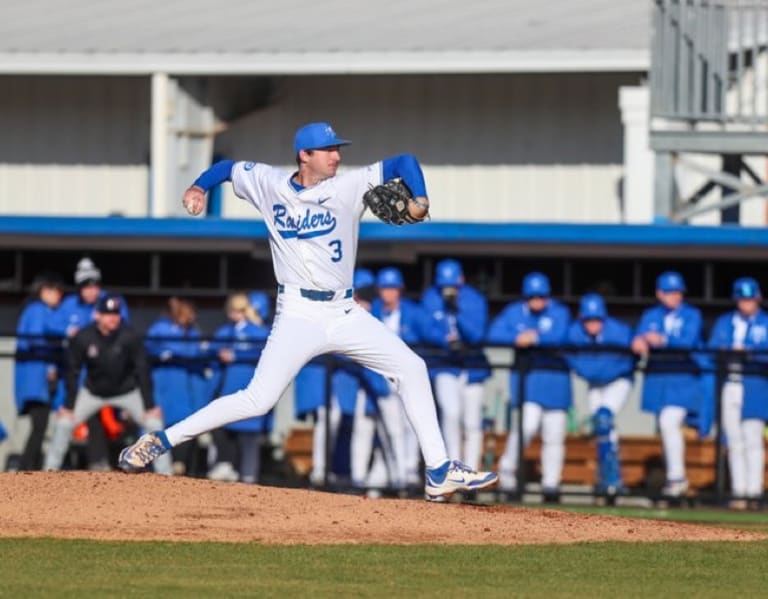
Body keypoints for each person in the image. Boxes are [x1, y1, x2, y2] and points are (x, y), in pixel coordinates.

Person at [118, 121, 497, 500]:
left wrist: (421, 198)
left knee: (411, 367)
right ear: (305, 155)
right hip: (297, 313)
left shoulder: (348, 186)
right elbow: (227, 169)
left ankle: (438, 470)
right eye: (328, 150)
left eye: (337, 149)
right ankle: (160, 440)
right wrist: (199, 186)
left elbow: (405, 162)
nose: (337, 156)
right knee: (257, 399)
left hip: (344, 312)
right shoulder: (268, 182)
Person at [43, 294, 172, 474]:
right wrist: (68, 405)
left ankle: (166, 474)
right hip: (93, 393)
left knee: (153, 422)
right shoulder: (84, 336)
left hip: (127, 392)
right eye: (107, 313)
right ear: (97, 315)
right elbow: (73, 372)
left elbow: (142, 370)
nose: (112, 317)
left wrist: (149, 405)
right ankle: (49, 471)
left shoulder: (130, 336)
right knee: (64, 422)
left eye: (116, 313)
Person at [487, 272, 571, 502]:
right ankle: (508, 476)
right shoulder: (515, 312)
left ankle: (551, 485)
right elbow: (494, 333)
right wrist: (518, 336)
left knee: (554, 436)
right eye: (532, 296)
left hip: (556, 382)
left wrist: (535, 339)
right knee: (526, 428)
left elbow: (562, 335)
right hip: (529, 382)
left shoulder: (559, 311)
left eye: (541, 296)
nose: (537, 301)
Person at [51, 257, 131, 470]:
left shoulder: (109, 302)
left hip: (112, 375)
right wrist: (68, 332)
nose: (90, 290)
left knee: (119, 421)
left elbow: (126, 331)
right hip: (78, 375)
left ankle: (113, 462)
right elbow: (51, 325)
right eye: (85, 286)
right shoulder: (69, 304)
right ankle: (51, 468)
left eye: (93, 285)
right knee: (67, 418)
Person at [632, 271, 704, 498]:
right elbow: (638, 337)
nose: (676, 296)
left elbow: (688, 342)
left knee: (668, 422)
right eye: (670, 292)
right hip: (658, 380)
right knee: (665, 428)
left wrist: (662, 341)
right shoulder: (650, 314)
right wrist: (638, 340)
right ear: (659, 293)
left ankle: (677, 479)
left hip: (682, 379)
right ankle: (673, 479)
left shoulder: (691, 314)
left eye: (678, 292)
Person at [420, 259, 491, 470]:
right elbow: (424, 329)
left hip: (473, 367)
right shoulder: (430, 297)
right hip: (444, 364)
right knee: (450, 414)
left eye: (453, 284)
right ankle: (453, 468)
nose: (448, 289)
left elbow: (477, 335)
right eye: (445, 285)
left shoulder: (474, 299)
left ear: (461, 280)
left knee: (472, 422)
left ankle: (471, 471)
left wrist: (456, 311)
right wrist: (445, 340)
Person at [707, 277, 768, 508]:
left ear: (758, 298)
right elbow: (712, 348)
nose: (747, 303)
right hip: (730, 382)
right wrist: (726, 351)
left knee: (753, 437)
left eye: (750, 298)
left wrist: (749, 353)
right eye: (742, 299)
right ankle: (739, 492)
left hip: (756, 384)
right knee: (733, 439)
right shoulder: (725, 322)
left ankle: (753, 492)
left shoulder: (765, 322)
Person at [566, 293, 635, 496]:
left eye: (596, 319)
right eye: (588, 319)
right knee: (602, 427)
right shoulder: (575, 332)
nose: (592, 324)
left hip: (619, 381)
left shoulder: (619, 331)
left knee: (604, 418)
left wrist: (600, 370)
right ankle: (608, 478)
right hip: (594, 384)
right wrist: (591, 371)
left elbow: (633, 355)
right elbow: (567, 355)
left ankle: (613, 478)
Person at [207, 292, 273, 483]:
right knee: (221, 428)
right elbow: (212, 347)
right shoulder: (227, 331)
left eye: (239, 310)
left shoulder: (260, 332)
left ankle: (248, 478)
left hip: (251, 389)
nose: (234, 314)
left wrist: (236, 356)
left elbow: (265, 353)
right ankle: (224, 468)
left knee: (249, 440)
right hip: (229, 388)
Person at [371, 266, 423, 488]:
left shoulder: (412, 311)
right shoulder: (373, 311)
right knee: (393, 429)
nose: (388, 293)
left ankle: (409, 470)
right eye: (384, 288)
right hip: (384, 380)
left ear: (400, 290)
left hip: (408, 379)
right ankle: (399, 475)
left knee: (412, 424)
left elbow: (428, 335)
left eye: (392, 288)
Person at [145, 297, 208, 475]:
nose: (189, 317)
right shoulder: (160, 328)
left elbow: (201, 353)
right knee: (157, 425)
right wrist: (163, 354)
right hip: (163, 386)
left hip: (186, 389)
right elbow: (147, 349)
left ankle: (180, 464)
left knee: (185, 426)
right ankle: (151, 466)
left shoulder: (193, 333)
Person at [14, 272, 65, 470]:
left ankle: (28, 466)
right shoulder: (37, 309)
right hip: (34, 380)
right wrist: (63, 334)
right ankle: (26, 467)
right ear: (44, 291)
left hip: (39, 380)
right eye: (56, 291)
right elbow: (35, 339)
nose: (59, 296)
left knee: (40, 426)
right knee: (39, 426)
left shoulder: (43, 311)